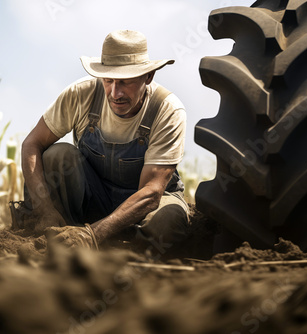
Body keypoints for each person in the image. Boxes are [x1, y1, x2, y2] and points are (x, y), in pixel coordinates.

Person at [20, 29, 190, 250]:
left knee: (166, 222)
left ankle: (127, 258)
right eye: (108, 80)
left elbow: (151, 192)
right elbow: (31, 144)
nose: (115, 93)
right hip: (96, 196)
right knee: (56, 155)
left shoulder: (167, 110)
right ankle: (65, 239)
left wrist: (92, 235)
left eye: (125, 82)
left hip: (147, 203)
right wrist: (44, 210)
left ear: (148, 76)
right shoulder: (80, 95)